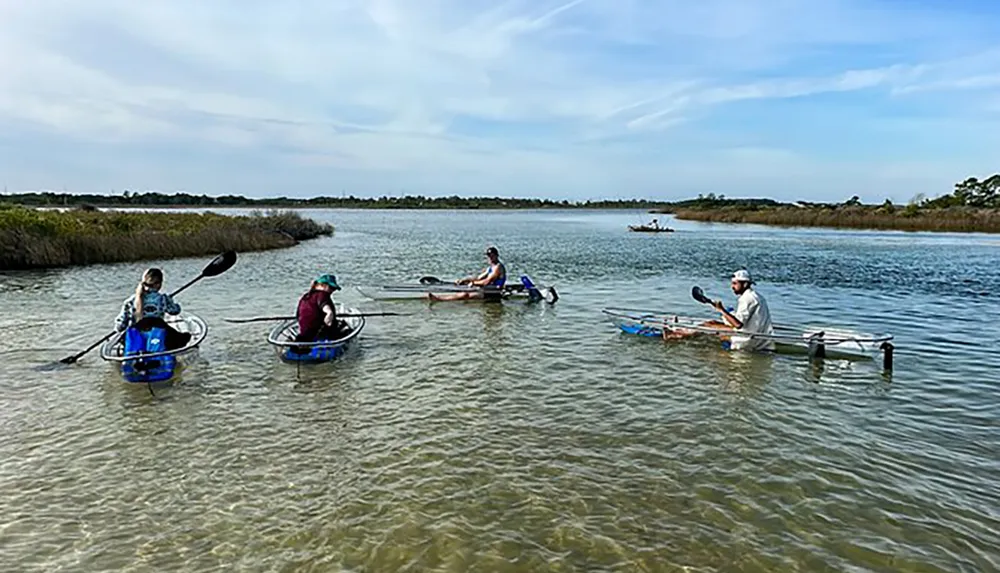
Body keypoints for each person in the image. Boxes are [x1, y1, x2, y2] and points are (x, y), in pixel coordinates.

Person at [663, 269, 775, 352]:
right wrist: (725, 312)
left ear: (745, 284)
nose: (732, 287)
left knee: (708, 327)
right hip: (757, 336)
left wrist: (721, 310)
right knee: (711, 323)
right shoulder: (756, 296)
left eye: (735, 284)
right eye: (732, 283)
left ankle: (677, 335)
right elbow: (741, 320)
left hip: (747, 339)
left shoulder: (747, 299)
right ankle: (680, 334)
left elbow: (738, 324)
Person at [115, 268, 192, 350]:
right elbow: (175, 311)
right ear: (159, 284)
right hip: (158, 333)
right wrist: (171, 301)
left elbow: (121, 325)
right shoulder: (163, 299)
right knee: (184, 337)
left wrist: (118, 329)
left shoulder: (130, 301)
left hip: (137, 334)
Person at [428, 246, 507, 302]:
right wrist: (464, 280)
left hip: (494, 293)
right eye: (488, 256)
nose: (490, 258)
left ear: (496, 256)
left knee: (465, 295)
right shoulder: (490, 268)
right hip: (487, 290)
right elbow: (479, 278)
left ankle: (440, 299)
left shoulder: (498, 268)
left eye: (492, 256)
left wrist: (473, 283)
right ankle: (440, 298)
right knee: (463, 290)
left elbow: (486, 282)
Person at [295, 274, 345, 342]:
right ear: (322, 285)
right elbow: (325, 307)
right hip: (319, 333)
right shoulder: (323, 295)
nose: (332, 291)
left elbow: (298, 316)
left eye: (334, 289)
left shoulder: (305, 297)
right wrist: (329, 314)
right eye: (331, 288)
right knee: (345, 330)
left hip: (305, 333)